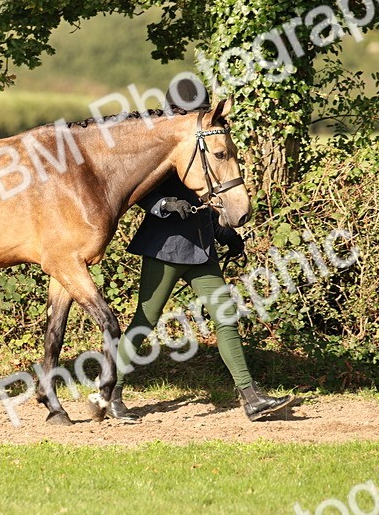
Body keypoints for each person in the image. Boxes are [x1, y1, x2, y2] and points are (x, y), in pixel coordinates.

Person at [106, 78, 294, 423]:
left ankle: (251, 397)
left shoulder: (201, 140)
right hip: (165, 247)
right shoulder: (161, 145)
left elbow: (208, 193)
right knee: (144, 321)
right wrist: (163, 202)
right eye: (190, 113)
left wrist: (224, 233)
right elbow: (142, 190)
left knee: (225, 317)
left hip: (201, 247)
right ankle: (110, 393)